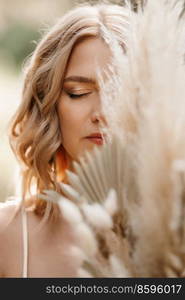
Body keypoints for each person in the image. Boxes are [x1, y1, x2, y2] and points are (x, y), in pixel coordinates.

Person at [0, 2, 129, 277]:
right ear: (48, 104)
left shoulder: (175, 232)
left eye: (118, 92)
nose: (102, 114)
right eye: (79, 92)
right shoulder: (6, 234)